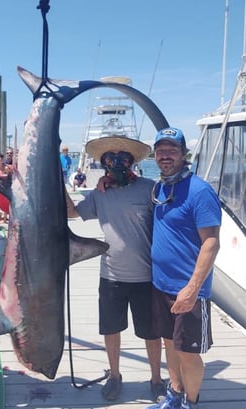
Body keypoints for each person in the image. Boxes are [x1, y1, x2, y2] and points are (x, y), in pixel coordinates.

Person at [66, 135, 166, 402]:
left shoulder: (150, 188)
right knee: (111, 329)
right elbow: (73, 212)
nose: (117, 161)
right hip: (111, 275)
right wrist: (56, 180)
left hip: (146, 276)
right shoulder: (99, 194)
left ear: (132, 162)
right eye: (111, 157)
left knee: (151, 332)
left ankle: (157, 378)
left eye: (123, 156)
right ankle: (114, 375)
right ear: (104, 163)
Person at [147, 127, 221, 409]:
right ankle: (174, 395)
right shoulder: (161, 187)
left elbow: (211, 243)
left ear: (183, 154)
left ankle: (191, 402)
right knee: (170, 344)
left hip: (189, 290)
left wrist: (191, 289)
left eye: (172, 150)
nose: (166, 156)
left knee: (188, 353)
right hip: (161, 285)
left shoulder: (200, 191)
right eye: (161, 150)